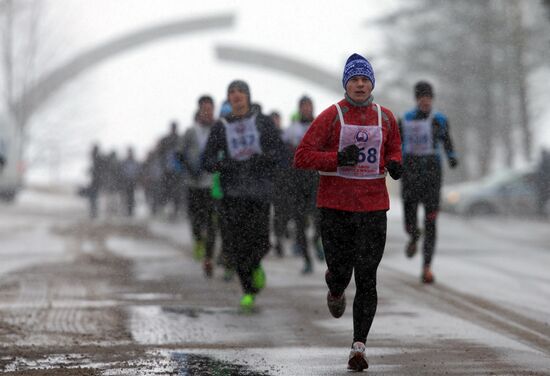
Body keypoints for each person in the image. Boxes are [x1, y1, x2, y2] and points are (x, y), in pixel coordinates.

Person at [294, 53, 402, 371]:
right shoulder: (331, 116)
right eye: (353, 79)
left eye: (364, 79)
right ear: (346, 84)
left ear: (372, 84)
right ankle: (335, 286)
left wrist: (396, 163)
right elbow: (302, 156)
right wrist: (338, 158)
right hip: (335, 208)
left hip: (373, 207)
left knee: (367, 278)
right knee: (342, 271)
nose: (359, 84)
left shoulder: (386, 117)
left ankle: (358, 346)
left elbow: (394, 147)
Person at [202, 80, 285, 310]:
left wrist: (264, 159)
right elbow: (206, 161)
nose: (236, 95)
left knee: (260, 240)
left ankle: (256, 264)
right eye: (231, 92)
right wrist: (223, 164)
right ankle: (248, 290)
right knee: (235, 244)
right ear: (228, 99)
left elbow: (279, 152)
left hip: (259, 191)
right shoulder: (221, 127)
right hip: (232, 193)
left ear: (248, 96)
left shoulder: (263, 122)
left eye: (240, 91)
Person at [399, 81, 458, 284]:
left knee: (431, 221)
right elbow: (397, 144)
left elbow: (448, 141)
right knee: (410, 221)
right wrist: (393, 163)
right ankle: (414, 236)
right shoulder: (405, 118)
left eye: (428, 97)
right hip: (411, 173)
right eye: (421, 97)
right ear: (416, 99)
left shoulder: (440, 119)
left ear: (432, 99)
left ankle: (426, 268)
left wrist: (452, 157)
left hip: (432, 174)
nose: (425, 100)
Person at [283, 95, 323, 273]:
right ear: (299, 109)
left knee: (320, 219)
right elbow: (284, 154)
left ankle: (316, 241)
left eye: (309, 106)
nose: (307, 109)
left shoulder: (321, 125)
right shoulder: (291, 129)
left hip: (316, 179)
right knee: (299, 222)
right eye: (304, 106)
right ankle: (307, 260)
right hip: (297, 180)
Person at [179, 95, 217, 275]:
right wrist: (189, 168)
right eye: (205, 109)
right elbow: (180, 153)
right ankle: (198, 241)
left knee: (211, 221)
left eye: (211, 109)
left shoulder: (218, 130)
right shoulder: (190, 132)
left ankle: (209, 256)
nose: (208, 112)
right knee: (195, 218)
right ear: (199, 110)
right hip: (193, 182)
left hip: (211, 183)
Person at [120, 147, 141, 217]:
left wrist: (137, 179)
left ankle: (131, 211)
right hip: (127, 181)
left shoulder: (135, 162)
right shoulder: (125, 162)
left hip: (133, 181)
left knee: (132, 197)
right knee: (127, 196)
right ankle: (127, 210)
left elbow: (138, 172)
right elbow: (122, 172)